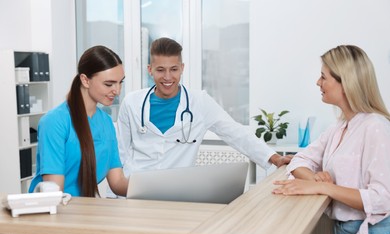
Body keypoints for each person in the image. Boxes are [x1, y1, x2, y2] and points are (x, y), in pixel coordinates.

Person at [273, 45, 390, 234]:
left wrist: (325, 188)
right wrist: (315, 180)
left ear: (345, 83)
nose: (318, 83)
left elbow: (382, 198)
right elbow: (299, 161)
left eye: (323, 77)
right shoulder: (340, 127)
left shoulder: (375, 126)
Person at [117, 37, 291, 177]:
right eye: (160, 70)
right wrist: (116, 196)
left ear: (182, 68)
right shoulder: (132, 102)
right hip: (135, 189)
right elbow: (120, 153)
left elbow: (236, 133)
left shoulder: (199, 102)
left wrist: (274, 158)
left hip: (177, 193)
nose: (168, 77)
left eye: (174, 69)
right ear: (150, 70)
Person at [29, 45, 128, 197]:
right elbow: (54, 191)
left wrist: (151, 187)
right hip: (53, 211)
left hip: (85, 209)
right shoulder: (54, 122)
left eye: (120, 82)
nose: (117, 90)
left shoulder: (106, 122)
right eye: (109, 84)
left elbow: (117, 182)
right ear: (85, 80)